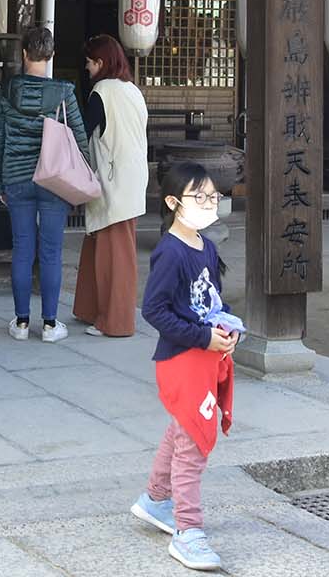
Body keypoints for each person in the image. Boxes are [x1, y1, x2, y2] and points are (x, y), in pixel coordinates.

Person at [130, 161, 238, 572]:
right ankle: (188, 531)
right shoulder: (170, 252)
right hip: (182, 359)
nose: (209, 204)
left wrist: (228, 327)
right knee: (193, 442)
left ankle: (156, 499)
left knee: (182, 431)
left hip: (204, 353)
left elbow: (213, 301)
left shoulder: (206, 247)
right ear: (174, 203)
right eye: (200, 197)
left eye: (213, 197)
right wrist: (202, 337)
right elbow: (154, 310)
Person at [0, 24, 91, 342]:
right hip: (55, 179)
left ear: (24, 54)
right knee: (51, 252)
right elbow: (79, 137)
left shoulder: (7, 92)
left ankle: (20, 322)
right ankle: (49, 325)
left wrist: (0, 183)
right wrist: (83, 176)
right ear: (50, 55)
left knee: (22, 250)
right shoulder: (64, 92)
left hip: (17, 179)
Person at [73, 34, 148, 339]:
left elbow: (82, 131)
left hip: (112, 181)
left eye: (89, 62)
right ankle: (91, 310)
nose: (87, 68)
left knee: (114, 256)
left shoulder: (101, 92)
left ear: (100, 63)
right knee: (101, 248)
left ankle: (116, 322)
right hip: (132, 178)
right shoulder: (132, 91)